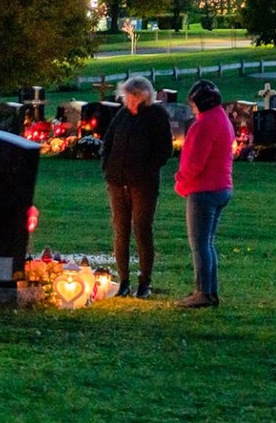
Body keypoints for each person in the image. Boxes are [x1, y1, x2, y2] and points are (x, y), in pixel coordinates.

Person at [100, 75, 173, 299]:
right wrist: (108, 168)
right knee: (121, 231)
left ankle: (145, 282)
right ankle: (123, 281)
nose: (131, 103)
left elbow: (165, 150)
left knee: (142, 229)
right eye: (129, 98)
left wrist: (145, 170)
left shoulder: (156, 116)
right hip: (117, 182)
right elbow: (108, 140)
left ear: (146, 97)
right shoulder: (122, 115)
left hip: (143, 184)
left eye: (136, 99)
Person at [173, 80, 234, 309]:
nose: (192, 108)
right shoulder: (223, 120)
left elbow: (194, 163)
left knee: (199, 244)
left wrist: (180, 181)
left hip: (204, 190)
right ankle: (209, 290)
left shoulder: (203, 126)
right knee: (208, 243)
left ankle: (202, 293)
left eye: (193, 104)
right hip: (222, 186)